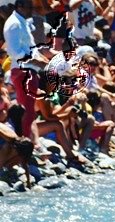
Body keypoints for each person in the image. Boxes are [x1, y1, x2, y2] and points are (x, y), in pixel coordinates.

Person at [4, 0, 45, 142]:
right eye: (29, 7)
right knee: (27, 111)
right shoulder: (14, 24)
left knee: (29, 111)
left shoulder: (22, 22)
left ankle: (26, 143)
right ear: (19, 6)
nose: (32, 10)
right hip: (23, 72)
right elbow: (16, 53)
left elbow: (30, 48)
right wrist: (36, 61)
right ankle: (22, 144)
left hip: (28, 71)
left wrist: (42, 60)